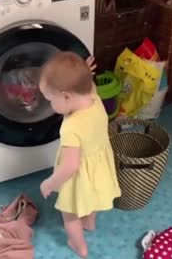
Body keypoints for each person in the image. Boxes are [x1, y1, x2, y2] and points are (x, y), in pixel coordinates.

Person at [39, 52, 121, 258]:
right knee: (92, 198)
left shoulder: (71, 127)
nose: (51, 105)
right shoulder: (94, 97)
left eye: (50, 99)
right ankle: (90, 222)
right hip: (99, 167)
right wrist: (81, 73)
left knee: (69, 215)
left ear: (67, 95)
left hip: (78, 176)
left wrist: (49, 183)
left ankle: (79, 246)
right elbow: (86, 85)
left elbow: (70, 166)